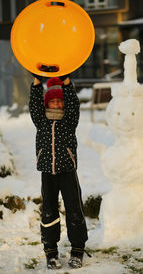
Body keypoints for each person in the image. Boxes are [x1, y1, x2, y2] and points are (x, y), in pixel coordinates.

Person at [29, 73, 89, 270]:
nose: (55, 104)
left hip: (67, 171)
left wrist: (67, 83)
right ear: (47, 104)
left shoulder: (69, 121)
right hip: (47, 172)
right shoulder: (40, 120)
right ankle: (51, 252)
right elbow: (34, 104)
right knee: (49, 211)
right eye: (52, 102)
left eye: (58, 101)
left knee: (74, 210)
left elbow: (74, 104)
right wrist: (37, 82)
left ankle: (78, 250)